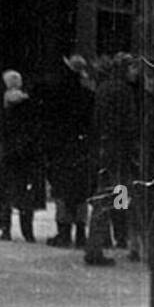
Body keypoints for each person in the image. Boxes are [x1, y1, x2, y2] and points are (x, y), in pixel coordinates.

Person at [84, 53, 139, 267]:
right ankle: (125, 239)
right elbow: (129, 123)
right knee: (121, 195)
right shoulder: (123, 90)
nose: (135, 72)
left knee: (106, 196)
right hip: (119, 151)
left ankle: (98, 243)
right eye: (133, 68)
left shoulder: (104, 88)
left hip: (105, 150)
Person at [45, 54, 94, 249]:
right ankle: (81, 232)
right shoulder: (88, 96)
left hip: (61, 149)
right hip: (81, 149)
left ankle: (64, 232)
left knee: (62, 192)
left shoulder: (58, 95)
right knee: (81, 193)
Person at [0, 70, 41, 242]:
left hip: (9, 154)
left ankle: (5, 228)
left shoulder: (6, 106)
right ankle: (28, 230)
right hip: (26, 155)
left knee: (6, 193)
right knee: (26, 194)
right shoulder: (28, 105)